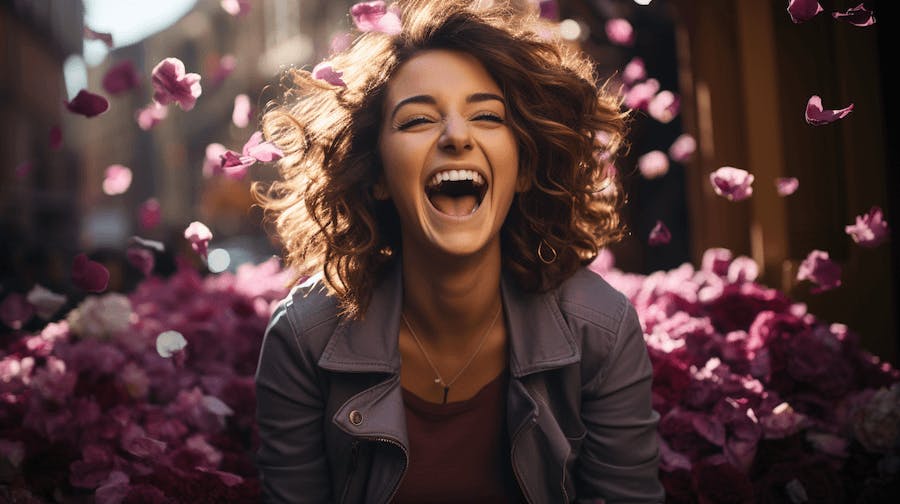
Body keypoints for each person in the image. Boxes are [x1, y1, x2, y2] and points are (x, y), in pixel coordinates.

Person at [253, 0, 663, 502]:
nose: (455, 136)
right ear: (376, 174)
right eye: (418, 120)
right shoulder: (302, 338)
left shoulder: (602, 329)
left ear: (526, 165)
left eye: (487, 115)